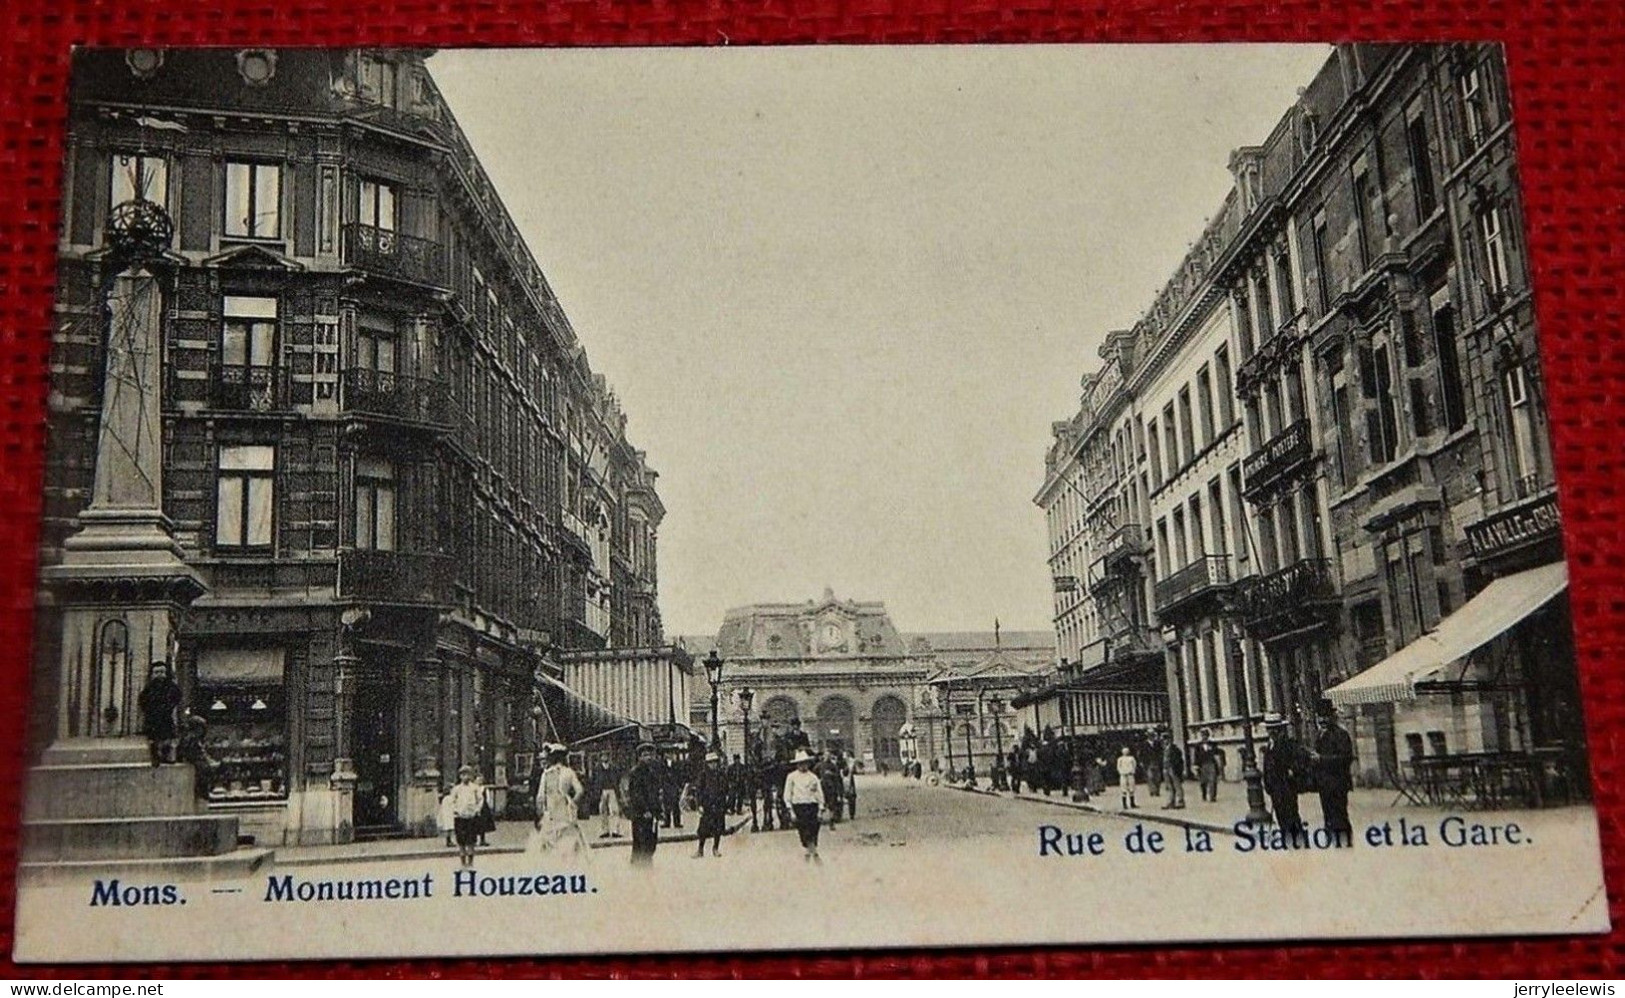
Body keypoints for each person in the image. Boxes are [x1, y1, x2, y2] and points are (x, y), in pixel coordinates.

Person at [533, 744, 587, 855]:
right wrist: (572, 803)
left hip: (550, 811)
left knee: (549, 843)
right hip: (566, 811)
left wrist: (540, 813)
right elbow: (580, 790)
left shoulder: (546, 774)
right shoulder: (569, 772)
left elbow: (540, 797)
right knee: (570, 841)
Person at [1314, 703, 1356, 846]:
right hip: (1324, 784)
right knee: (1328, 816)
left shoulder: (1341, 735)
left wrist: (1322, 759)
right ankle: (1333, 843)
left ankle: (1345, 845)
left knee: (1340, 816)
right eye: (1320, 717)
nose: (1322, 720)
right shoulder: (1320, 735)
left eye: (1325, 717)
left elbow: (1346, 758)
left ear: (1333, 717)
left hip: (1338, 783)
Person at [1262, 716, 1307, 842]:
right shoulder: (1269, 745)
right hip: (1275, 789)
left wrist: (1292, 771)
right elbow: (1267, 767)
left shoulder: (1288, 744)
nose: (1272, 732)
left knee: (1291, 817)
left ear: (1280, 729)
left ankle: (1298, 844)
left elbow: (1299, 761)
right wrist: (1268, 785)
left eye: (1274, 729)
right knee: (1281, 818)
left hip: (1286, 787)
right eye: (1269, 729)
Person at [624, 742, 663, 867]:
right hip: (640, 813)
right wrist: (645, 809)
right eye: (645, 755)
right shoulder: (636, 772)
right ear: (639, 757)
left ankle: (643, 862)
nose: (649, 757)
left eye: (650, 754)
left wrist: (658, 810)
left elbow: (656, 792)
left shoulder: (653, 771)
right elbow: (636, 794)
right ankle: (641, 864)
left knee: (651, 838)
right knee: (641, 839)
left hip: (652, 812)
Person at [136, 661, 182, 767]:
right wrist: (149, 710)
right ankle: (155, 757)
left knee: (167, 739)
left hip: (166, 716)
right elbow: (143, 701)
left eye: (162, 672)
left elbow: (177, 696)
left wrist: (169, 707)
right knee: (153, 740)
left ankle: (167, 756)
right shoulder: (149, 688)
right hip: (152, 718)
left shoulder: (171, 686)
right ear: (152, 674)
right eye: (156, 672)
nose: (159, 675)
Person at [783, 749, 824, 863]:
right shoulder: (791, 777)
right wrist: (791, 811)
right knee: (804, 831)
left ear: (808, 763)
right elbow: (787, 794)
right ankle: (813, 853)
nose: (803, 766)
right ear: (797, 765)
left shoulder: (813, 777)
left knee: (813, 830)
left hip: (812, 806)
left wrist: (820, 809)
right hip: (799, 807)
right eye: (800, 763)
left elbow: (819, 793)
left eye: (805, 763)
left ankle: (811, 853)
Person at [692, 751, 730, 858]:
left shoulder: (721, 774)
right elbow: (699, 790)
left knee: (718, 828)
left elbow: (726, 788)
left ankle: (715, 848)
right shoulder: (703, 775)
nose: (713, 764)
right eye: (711, 762)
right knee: (703, 829)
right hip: (707, 805)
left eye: (715, 762)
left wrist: (725, 802)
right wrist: (699, 804)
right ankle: (700, 849)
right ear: (707, 763)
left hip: (718, 804)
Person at [447, 764, 486, 868]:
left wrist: (477, 810)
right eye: (463, 775)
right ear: (460, 776)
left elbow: (480, 799)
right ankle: (463, 863)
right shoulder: (456, 789)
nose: (465, 777)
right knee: (461, 841)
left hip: (471, 817)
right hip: (460, 818)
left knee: (471, 840)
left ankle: (471, 862)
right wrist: (456, 810)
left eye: (467, 774)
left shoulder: (475, 788)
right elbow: (452, 801)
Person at [592, 757, 624, 839]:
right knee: (603, 811)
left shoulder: (613, 767)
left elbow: (618, 777)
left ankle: (615, 831)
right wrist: (596, 790)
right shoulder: (597, 768)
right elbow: (594, 779)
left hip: (612, 789)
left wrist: (616, 786)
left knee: (614, 810)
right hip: (602, 790)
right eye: (603, 756)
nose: (605, 757)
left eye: (606, 755)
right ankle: (604, 831)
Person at [1193, 730, 1223, 803]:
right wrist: (1196, 766)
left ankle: (1212, 796)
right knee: (1203, 782)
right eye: (1203, 735)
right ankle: (1204, 794)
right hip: (1202, 765)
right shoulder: (1198, 746)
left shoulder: (1212, 744)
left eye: (1206, 735)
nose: (1204, 737)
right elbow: (1196, 756)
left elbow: (1217, 753)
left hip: (1211, 764)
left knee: (1212, 781)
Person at [1161, 731, 1187, 810]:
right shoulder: (1164, 749)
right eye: (1163, 739)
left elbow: (1179, 761)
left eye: (1166, 739)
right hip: (1166, 769)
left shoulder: (1175, 749)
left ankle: (1180, 801)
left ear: (1170, 740)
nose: (1165, 741)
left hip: (1173, 769)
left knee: (1177, 785)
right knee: (1169, 786)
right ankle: (1171, 801)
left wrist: (1179, 770)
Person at [819, 754, 845, 828]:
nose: (827, 758)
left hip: (831, 788)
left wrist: (831, 774)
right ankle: (819, 818)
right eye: (826, 756)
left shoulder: (833, 766)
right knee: (821, 803)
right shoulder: (820, 765)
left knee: (832, 805)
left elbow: (837, 777)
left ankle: (831, 821)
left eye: (828, 756)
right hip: (822, 788)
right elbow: (815, 772)